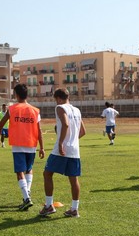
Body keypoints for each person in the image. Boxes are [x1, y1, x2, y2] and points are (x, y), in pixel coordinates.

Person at [0, 84, 45, 210]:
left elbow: (0, 125)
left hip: (18, 144)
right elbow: (40, 130)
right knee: (29, 169)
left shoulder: (12, 109)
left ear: (16, 94)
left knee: (19, 171)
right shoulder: (35, 110)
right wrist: (42, 147)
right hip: (31, 144)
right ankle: (27, 193)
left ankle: (26, 198)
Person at [39, 88, 86, 217]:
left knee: (47, 174)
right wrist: (72, 141)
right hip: (74, 150)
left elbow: (65, 124)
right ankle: (74, 209)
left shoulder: (60, 107)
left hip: (62, 149)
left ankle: (49, 206)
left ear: (58, 98)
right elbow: (83, 132)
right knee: (73, 179)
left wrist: (61, 143)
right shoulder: (77, 110)